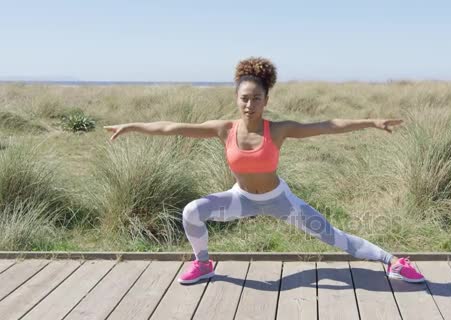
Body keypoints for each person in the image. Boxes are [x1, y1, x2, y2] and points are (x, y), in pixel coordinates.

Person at [104, 57, 425, 285]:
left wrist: (371, 122)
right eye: (244, 98)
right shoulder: (223, 129)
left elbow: (327, 125)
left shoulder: (279, 129)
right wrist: (131, 126)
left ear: (265, 99)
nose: (249, 105)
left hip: (280, 200)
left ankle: (394, 262)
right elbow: (171, 127)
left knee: (333, 237)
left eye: (256, 98)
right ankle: (203, 264)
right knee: (192, 212)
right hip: (240, 199)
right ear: (237, 99)